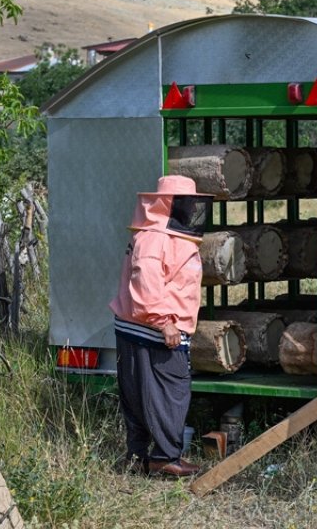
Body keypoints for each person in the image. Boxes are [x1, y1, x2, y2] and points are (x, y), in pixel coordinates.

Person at [109, 175, 212, 477]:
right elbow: (146, 282)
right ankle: (165, 457)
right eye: (187, 202)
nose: (192, 207)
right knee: (172, 390)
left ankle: (139, 457)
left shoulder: (159, 235)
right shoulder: (155, 237)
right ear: (169, 204)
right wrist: (165, 322)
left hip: (141, 328)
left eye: (193, 201)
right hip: (155, 330)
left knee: (141, 393)